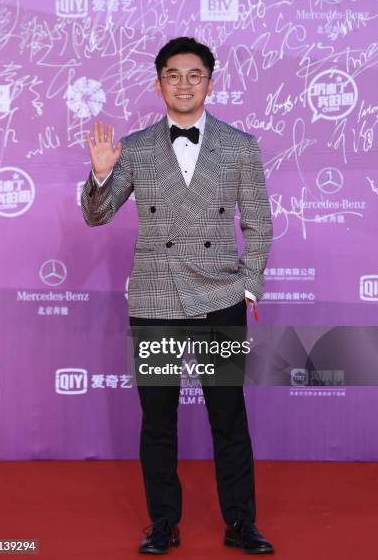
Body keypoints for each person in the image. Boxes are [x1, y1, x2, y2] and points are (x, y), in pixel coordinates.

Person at [81, 37, 274, 555]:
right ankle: (163, 522)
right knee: (158, 418)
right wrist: (101, 173)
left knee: (228, 417)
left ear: (210, 82)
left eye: (195, 75)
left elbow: (259, 224)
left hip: (220, 297)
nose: (184, 84)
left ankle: (241, 522)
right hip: (156, 299)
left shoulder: (240, 146)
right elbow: (97, 215)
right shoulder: (136, 147)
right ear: (158, 82)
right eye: (173, 75)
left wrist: (249, 282)